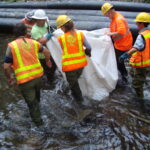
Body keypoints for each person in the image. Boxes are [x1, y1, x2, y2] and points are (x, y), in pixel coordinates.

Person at [3, 23, 51, 127]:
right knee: (37, 98)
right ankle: (39, 112)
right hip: (38, 77)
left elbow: (6, 66)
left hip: (25, 81)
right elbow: (46, 51)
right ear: (26, 32)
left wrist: (10, 77)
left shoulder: (12, 46)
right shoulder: (33, 42)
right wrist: (47, 61)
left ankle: (40, 127)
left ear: (14, 33)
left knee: (32, 104)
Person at [56, 15, 92, 104]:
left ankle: (80, 102)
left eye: (61, 27)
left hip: (69, 67)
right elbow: (89, 47)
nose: (61, 29)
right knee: (74, 81)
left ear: (64, 27)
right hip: (81, 65)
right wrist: (87, 52)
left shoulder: (61, 38)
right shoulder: (80, 35)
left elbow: (64, 49)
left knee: (74, 86)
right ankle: (72, 94)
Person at [119, 12, 150, 99]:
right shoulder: (148, 33)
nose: (136, 23)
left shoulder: (141, 36)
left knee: (136, 85)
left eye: (137, 22)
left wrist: (124, 56)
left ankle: (140, 100)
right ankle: (142, 81)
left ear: (141, 24)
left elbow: (136, 48)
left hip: (142, 64)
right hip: (146, 62)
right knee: (133, 73)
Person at [101, 3, 133, 84]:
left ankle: (125, 77)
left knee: (118, 61)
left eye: (107, 15)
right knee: (118, 60)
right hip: (121, 43)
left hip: (123, 45)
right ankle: (124, 75)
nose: (107, 17)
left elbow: (121, 32)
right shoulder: (115, 17)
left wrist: (110, 34)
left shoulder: (118, 19)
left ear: (109, 12)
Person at [31, 9, 56, 83]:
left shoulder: (45, 24)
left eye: (45, 19)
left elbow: (50, 30)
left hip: (49, 52)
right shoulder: (34, 30)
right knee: (47, 70)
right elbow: (42, 41)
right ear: (37, 20)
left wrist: (51, 30)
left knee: (53, 68)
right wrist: (49, 34)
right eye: (43, 20)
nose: (44, 20)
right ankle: (49, 83)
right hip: (41, 56)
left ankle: (49, 79)